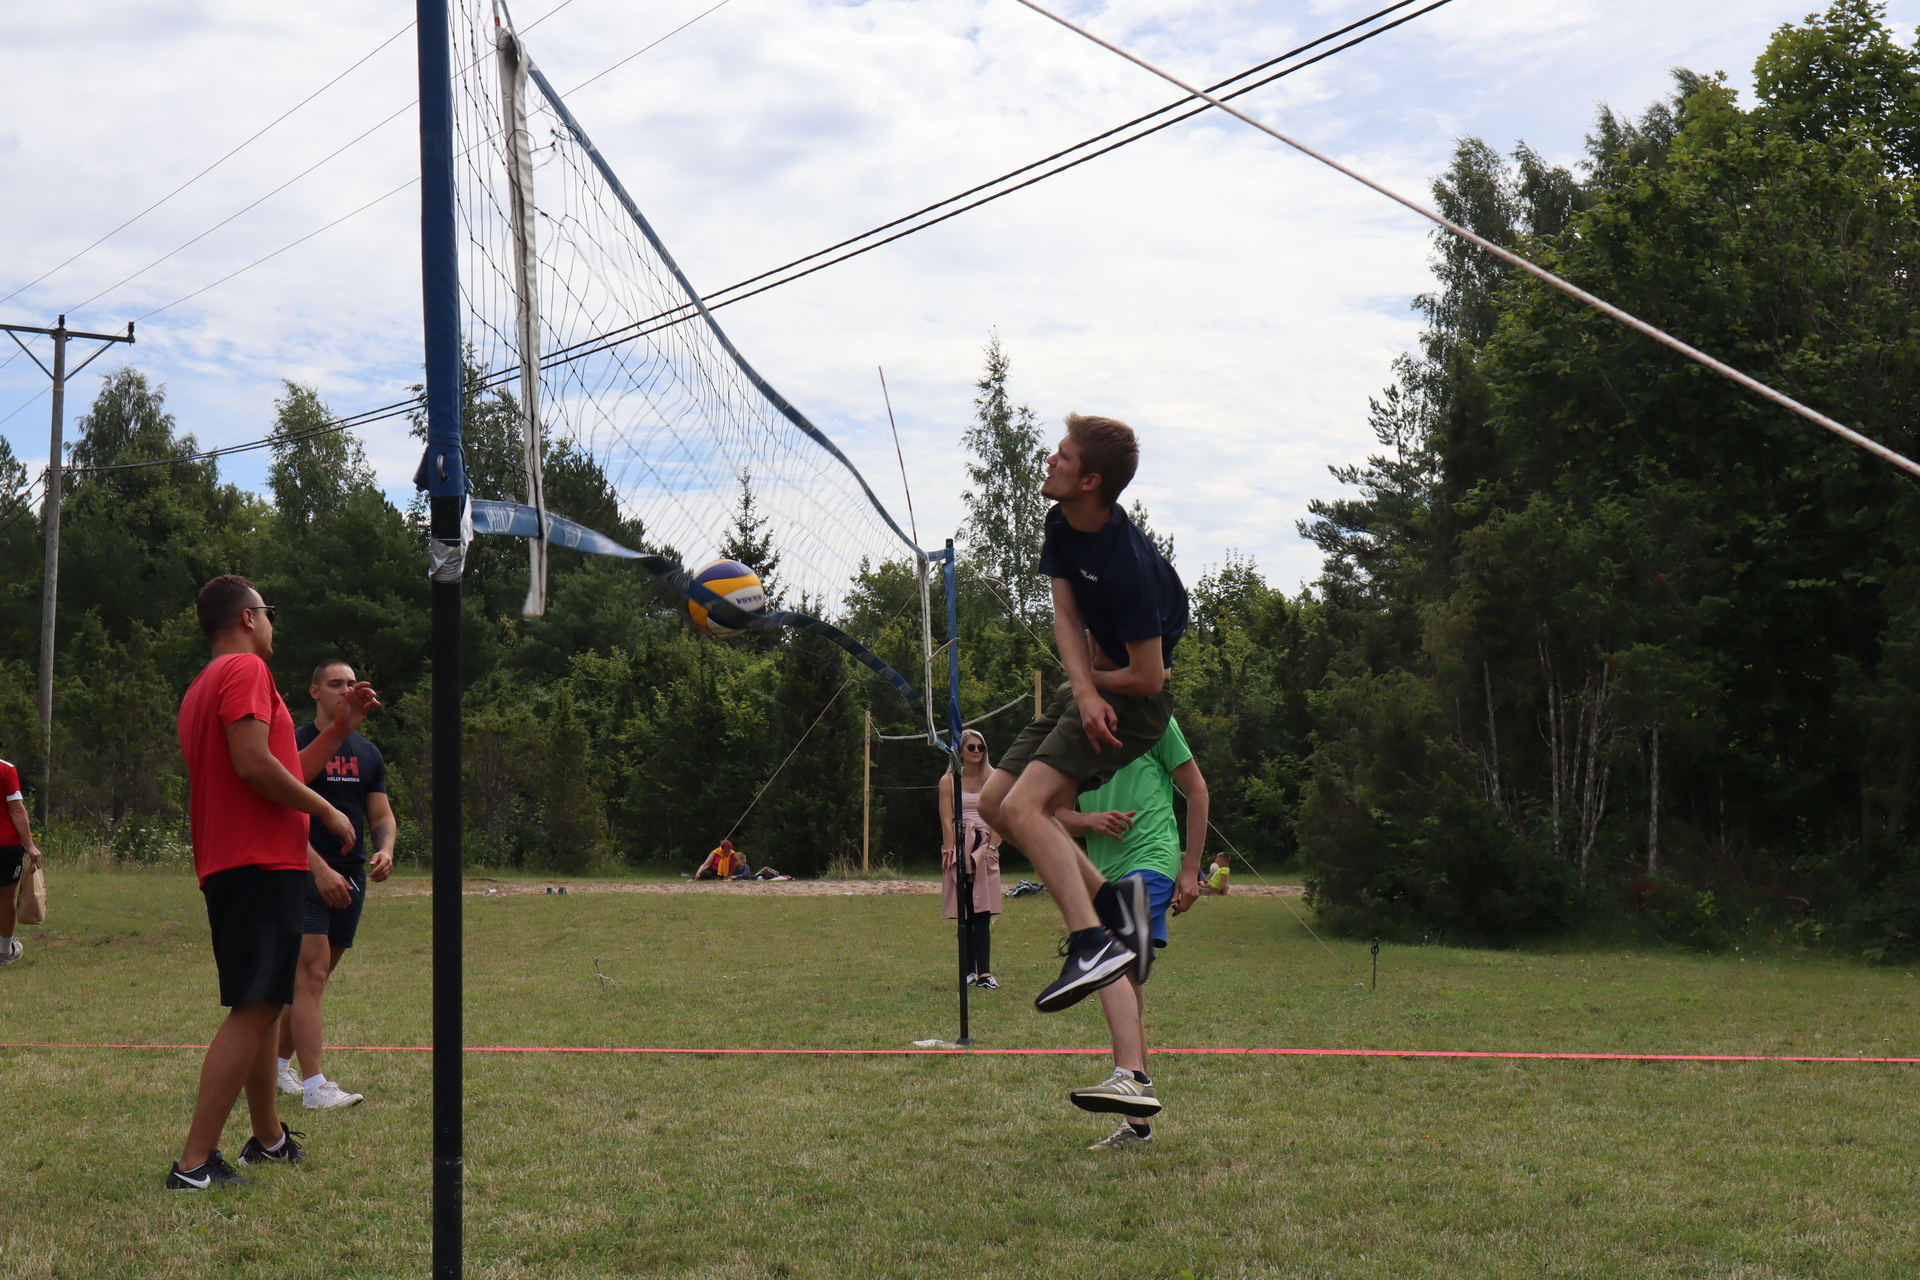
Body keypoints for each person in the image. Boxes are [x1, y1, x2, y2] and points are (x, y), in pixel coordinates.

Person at [167, 575, 376, 1191]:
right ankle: (194, 1165)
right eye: (269, 611)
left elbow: (282, 767)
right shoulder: (246, 670)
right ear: (248, 617)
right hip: (257, 861)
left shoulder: (202, 685)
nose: (272, 622)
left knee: (264, 1003)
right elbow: (254, 766)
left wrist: (338, 730)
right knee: (256, 1006)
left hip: (239, 861)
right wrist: (328, 811)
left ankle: (268, 1138)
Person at [978, 413, 1189, 1013]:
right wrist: (1083, 689)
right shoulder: (1061, 524)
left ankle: (1092, 943)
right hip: (1091, 687)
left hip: (1136, 703)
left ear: (1091, 481)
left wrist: (1091, 689)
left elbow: (1148, 678)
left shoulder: (1130, 565)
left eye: (1064, 456)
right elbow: (1067, 617)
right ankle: (1114, 908)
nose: (1050, 460)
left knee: (1024, 807)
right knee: (994, 803)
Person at [1054, 716, 1207, 1149]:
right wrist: (1091, 819)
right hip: (1102, 874)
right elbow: (1056, 813)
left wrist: (1191, 869)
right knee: (1128, 984)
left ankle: (1129, 1075)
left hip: (1152, 859)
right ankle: (1137, 1124)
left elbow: (1197, 789)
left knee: (1106, 957)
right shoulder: (1075, 732)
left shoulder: (1153, 719)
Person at [274, 659, 395, 1111]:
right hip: (303, 870)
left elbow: (380, 814)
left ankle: (276, 1067)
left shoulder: (368, 752)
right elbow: (279, 813)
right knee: (310, 975)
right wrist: (319, 869)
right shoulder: (293, 744)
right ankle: (315, 1086)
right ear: (315, 692)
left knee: (314, 980)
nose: (344, 690)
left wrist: (386, 849)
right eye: (334, 684)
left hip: (352, 876)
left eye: (350, 683)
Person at [938, 729, 1003, 988]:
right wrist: (950, 852)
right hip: (960, 845)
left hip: (985, 846)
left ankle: (985, 974)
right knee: (964, 912)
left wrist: (993, 847)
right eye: (971, 747)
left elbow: (1000, 815)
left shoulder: (995, 778)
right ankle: (968, 971)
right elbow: (946, 819)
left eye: (981, 747)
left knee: (982, 911)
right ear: (960, 751)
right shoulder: (949, 781)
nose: (977, 752)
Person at [0, 754, 43, 964]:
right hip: (5, 844)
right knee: (5, 897)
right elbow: (17, 810)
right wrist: (30, 845)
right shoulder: (6, 770)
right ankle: (4, 950)